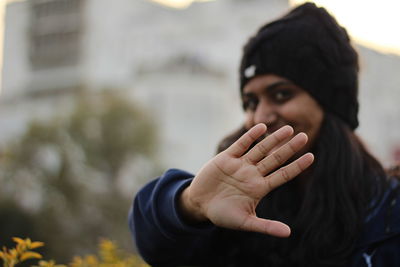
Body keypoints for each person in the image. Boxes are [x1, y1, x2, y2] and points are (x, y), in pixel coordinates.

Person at [129, 3, 400, 267]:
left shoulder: (387, 212)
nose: (260, 117)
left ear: (332, 105)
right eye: (250, 102)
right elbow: (155, 243)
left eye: (281, 94)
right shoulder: (236, 202)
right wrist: (190, 205)